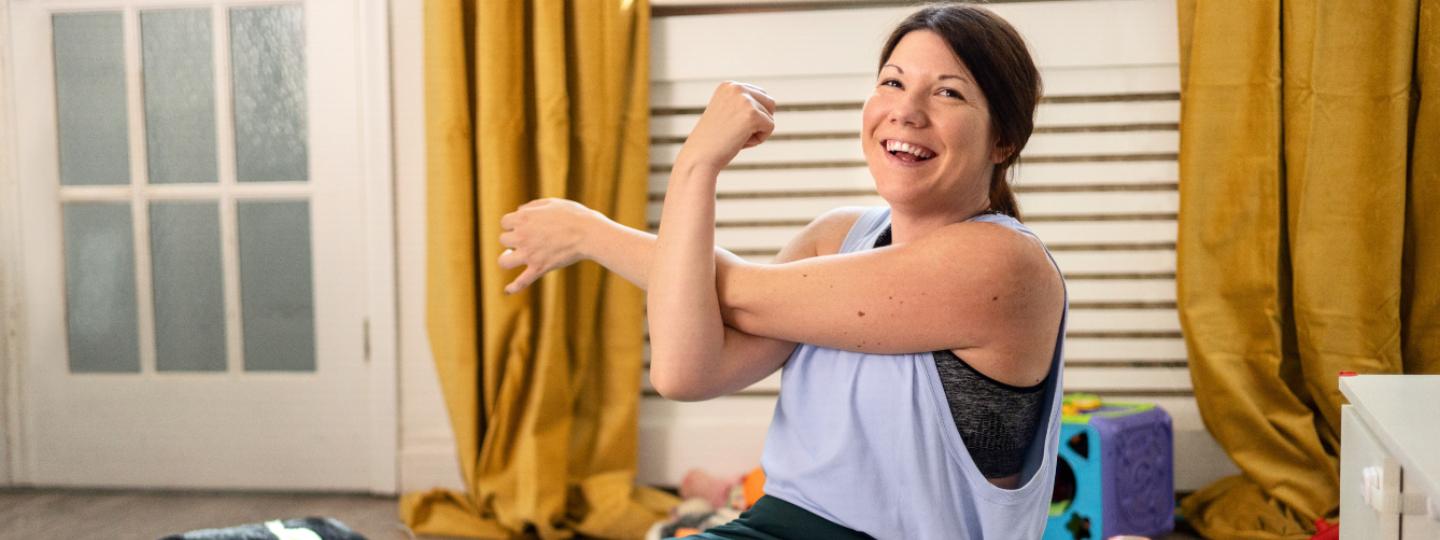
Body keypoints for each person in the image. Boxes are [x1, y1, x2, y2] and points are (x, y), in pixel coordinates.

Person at [498, 3, 1066, 538]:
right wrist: (697, 170)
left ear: (1004, 140)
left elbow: (740, 294)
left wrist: (591, 232)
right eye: (892, 82)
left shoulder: (1005, 264)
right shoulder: (836, 236)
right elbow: (686, 372)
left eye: (948, 93)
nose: (907, 111)